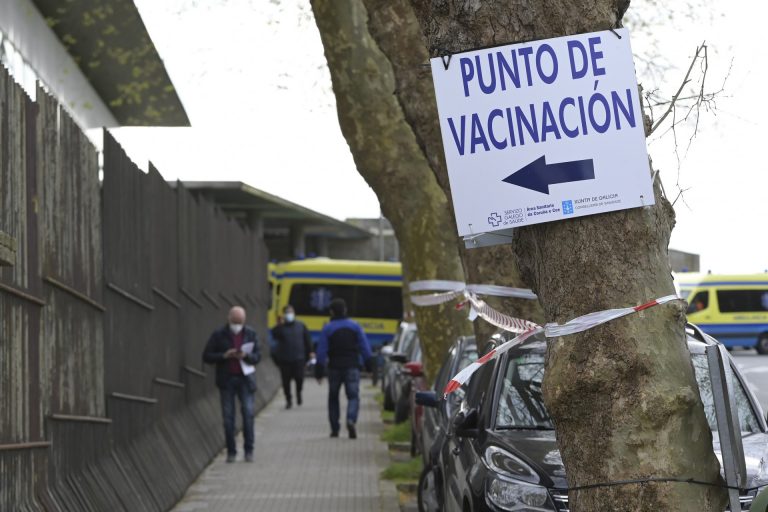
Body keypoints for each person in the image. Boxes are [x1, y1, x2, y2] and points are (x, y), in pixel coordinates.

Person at [202, 306, 261, 463]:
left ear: (244, 320)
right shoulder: (219, 334)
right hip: (226, 379)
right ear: (229, 319)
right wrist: (224, 355)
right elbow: (207, 356)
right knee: (228, 418)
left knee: (248, 414)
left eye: (240, 322)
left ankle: (249, 450)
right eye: (235, 321)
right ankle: (231, 451)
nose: (237, 325)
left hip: (245, 379)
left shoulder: (250, 333)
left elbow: (258, 356)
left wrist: (246, 355)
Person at [315, 298, 372, 439]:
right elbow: (365, 347)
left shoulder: (328, 328)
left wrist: (319, 371)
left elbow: (321, 351)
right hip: (352, 366)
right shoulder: (355, 326)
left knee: (333, 398)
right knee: (353, 396)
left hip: (334, 368)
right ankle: (351, 419)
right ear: (345, 310)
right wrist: (369, 365)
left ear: (331, 312)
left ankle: (335, 429)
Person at [271, 304, 313, 409]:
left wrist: (311, 352)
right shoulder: (281, 328)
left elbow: (307, 340)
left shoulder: (301, 326)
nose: (289, 314)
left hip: (299, 358)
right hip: (285, 359)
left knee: (299, 378)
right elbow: (274, 334)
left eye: (291, 312)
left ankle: (299, 392)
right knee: (286, 381)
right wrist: (278, 324)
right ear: (284, 315)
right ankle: (288, 399)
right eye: (287, 312)